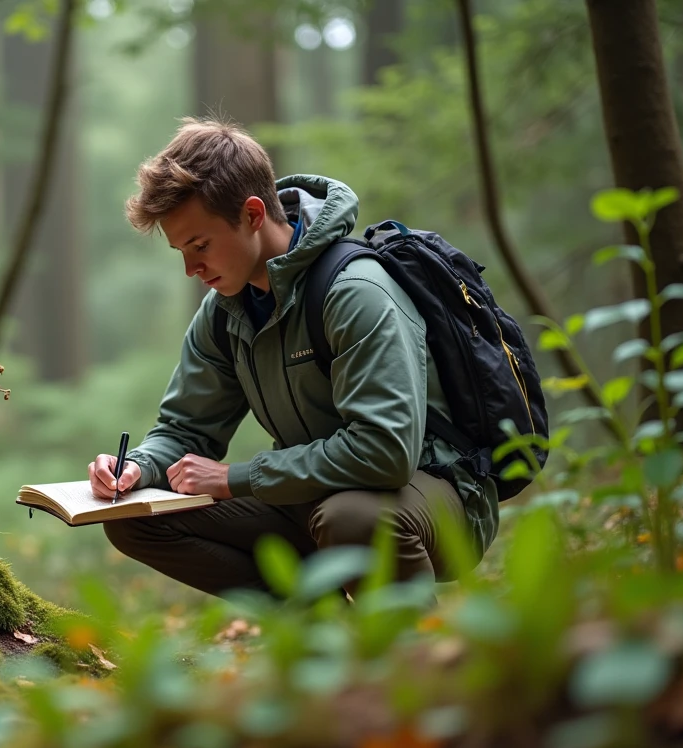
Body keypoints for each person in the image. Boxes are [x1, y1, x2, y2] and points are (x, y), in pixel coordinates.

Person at [87, 117, 498, 598]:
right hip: (315, 493)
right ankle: (318, 643)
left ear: (254, 215)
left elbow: (385, 453)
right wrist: (137, 467)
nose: (190, 269)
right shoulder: (225, 312)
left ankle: (407, 656)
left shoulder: (354, 291)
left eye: (200, 245)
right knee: (135, 520)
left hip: (430, 493)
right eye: (181, 250)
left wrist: (237, 477)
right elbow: (186, 430)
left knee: (351, 516)